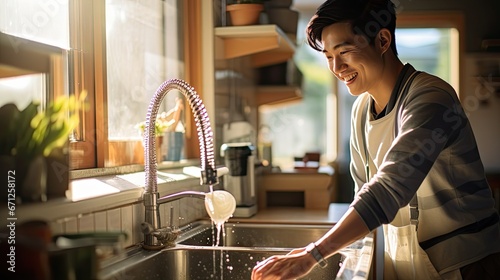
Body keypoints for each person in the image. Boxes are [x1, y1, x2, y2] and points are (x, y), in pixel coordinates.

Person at [251, 0, 500, 279]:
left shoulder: (431, 98)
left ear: (382, 40)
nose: (337, 67)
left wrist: (314, 253)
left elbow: (389, 188)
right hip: (403, 259)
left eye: (344, 51)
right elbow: (364, 193)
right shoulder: (360, 111)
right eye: (329, 57)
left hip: (466, 264)